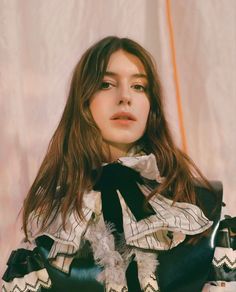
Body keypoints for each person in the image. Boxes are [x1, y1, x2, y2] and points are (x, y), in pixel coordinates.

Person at [2, 36, 236, 292]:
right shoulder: (52, 232)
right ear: (83, 102)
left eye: (139, 86)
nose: (125, 97)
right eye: (106, 84)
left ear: (151, 107)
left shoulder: (203, 212)